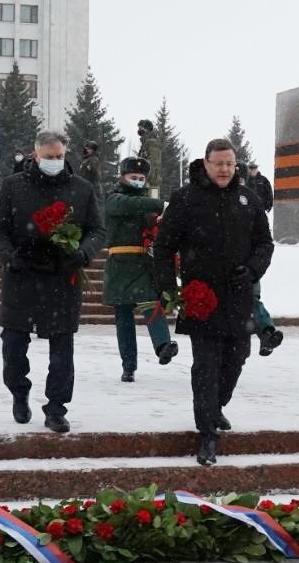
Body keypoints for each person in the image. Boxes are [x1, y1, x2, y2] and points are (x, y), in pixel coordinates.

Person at [153, 139, 274, 466]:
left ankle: (216, 406)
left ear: (237, 165)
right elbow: (163, 248)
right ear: (205, 163)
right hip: (200, 297)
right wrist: (169, 290)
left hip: (238, 295)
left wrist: (251, 270)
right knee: (206, 365)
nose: (224, 169)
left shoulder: (249, 199)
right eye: (218, 163)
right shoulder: (185, 199)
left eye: (229, 163)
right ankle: (206, 432)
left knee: (237, 358)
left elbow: (265, 243)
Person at [0, 131, 104, 432]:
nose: (54, 161)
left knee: (62, 349)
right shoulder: (14, 186)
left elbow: (97, 231)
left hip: (63, 276)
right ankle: (19, 390)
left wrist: (82, 253)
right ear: (35, 155)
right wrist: (9, 256)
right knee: (13, 346)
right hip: (21, 275)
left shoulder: (81, 188)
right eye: (48, 156)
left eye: (59, 156)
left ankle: (56, 407)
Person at [104, 156, 178, 381]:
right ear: (123, 177)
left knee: (152, 306)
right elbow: (126, 205)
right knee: (124, 319)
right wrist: (161, 204)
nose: (138, 181)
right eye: (133, 177)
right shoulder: (114, 198)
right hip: (118, 265)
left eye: (141, 178)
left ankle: (163, 346)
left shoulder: (146, 203)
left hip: (142, 264)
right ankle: (129, 366)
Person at [236, 161, 284, 356]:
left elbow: (264, 240)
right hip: (224, 266)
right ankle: (265, 333)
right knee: (247, 304)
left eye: (240, 179)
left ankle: (266, 334)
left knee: (252, 300)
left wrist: (255, 264)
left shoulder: (251, 202)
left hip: (249, 265)